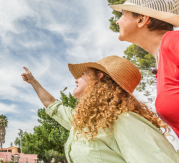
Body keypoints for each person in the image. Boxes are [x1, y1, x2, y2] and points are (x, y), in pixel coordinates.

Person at [21, 56, 179, 163]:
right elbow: (52, 105)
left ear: (100, 77)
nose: (76, 79)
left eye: (83, 74)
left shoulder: (123, 120)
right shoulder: (85, 122)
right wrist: (33, 81)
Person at [110, 0, 179, 137]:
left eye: (123, 14)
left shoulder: (173, 41)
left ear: (142, 19)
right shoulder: (161, 66)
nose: (118, 22)